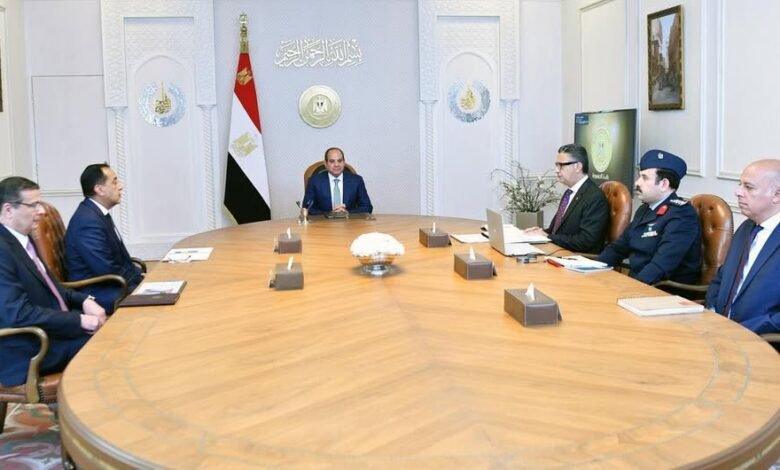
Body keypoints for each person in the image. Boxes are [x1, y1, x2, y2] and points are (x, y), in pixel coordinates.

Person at [0, 176, 106, 387]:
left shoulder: (22, 238)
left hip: (50, 334)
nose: (41, 211)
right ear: (8, 210)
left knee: (114, 334)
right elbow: (18, 314)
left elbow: (52, 288)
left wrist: (85, 300)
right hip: (27, 349)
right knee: (109, 347)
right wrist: (79, 321)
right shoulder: (2, 250)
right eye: (34, 205)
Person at [597, 149, 701, 284]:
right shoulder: (645, 209)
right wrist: (592, 270)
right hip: (639, 284)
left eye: (644, 178)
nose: (637, 183)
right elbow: (618, 249)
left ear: (664, 184)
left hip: (663, 290)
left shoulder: (682, 215)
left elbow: (660, 266)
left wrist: (629, 288)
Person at [706, 159, 780, 334]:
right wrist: (712, 311)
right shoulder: (746, 227)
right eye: (740, 184)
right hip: (718, 329)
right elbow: (721, 277)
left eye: (749, 187)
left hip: (760, 339)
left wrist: (743, 330)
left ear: (777, 195)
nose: (738, 192)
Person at [65, 164, 143, 313]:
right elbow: (105, 269)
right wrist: (139, 280)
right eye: (114, 182)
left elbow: (119, 259)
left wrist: (140, 275)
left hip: (110, 284)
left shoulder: (96, 213)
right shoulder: (88, 221)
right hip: (98, 290)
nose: (120, 186)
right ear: (99, 189)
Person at [525, 143, 609, 253]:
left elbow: (586, 241)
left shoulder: (594, 197)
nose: (556, 170)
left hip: (576, 257)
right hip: (559, 251)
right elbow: (556, 231)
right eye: (556, 165)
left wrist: (548, 236)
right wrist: (539, 233)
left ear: (577, 166)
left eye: (561, 165)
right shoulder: (569, 193)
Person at [302, 147, 373, 215]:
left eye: (339, 161)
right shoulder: (315, 181)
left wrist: (347, 213)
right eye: (332, 161)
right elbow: (306, 208)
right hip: (324, 222)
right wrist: (330, 214)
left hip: (350, 221)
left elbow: (367, 207)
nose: (336, 164)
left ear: (344, 162)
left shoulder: (357, 180)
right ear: (326, 164)